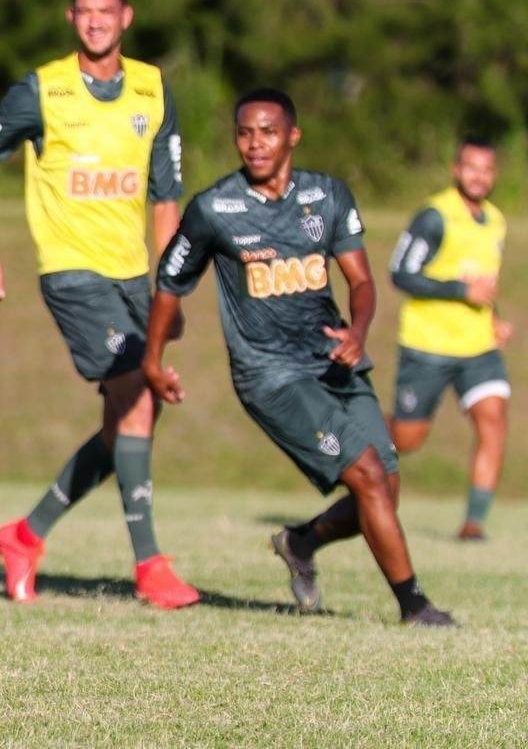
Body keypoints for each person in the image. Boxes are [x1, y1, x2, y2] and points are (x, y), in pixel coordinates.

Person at [143, 87, 455, 626]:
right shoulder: (215, 208)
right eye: (244, 132)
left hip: (334, 359)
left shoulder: (327, 195)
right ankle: (415, 606)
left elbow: (361, 281)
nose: (254, 144)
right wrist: (153, 359)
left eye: (267, 131)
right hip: (270, 375)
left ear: (292, 135)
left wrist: (358, 330)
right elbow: (170, 282)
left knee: (386, 484)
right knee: (367, 475)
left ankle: (301, 542)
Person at [0, 0, 197, 608]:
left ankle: (25, 536)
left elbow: (166, 200)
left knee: (126, 425)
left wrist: (168, 292)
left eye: (106, 11)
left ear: (126, 18)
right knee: (138, 401)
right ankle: (150, 567)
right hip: (70, 272)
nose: (95, 20)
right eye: (84, 11)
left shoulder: (152, 89)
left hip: (133, 278)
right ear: (72, 19)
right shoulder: (44, 90)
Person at [387, 138, 511, 541]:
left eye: (487, 169)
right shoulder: (434, 217)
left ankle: (473, 523)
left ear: (494, 175)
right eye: (471, 167)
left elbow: (482, 282)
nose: (479, 176)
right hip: (429, 345)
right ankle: (357, 439)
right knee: (407, 439)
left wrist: (495, 319)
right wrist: (460, 293)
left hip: (477, 347)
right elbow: (400, 273)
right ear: (456, 169)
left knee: (493, 419)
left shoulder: (495, 220)